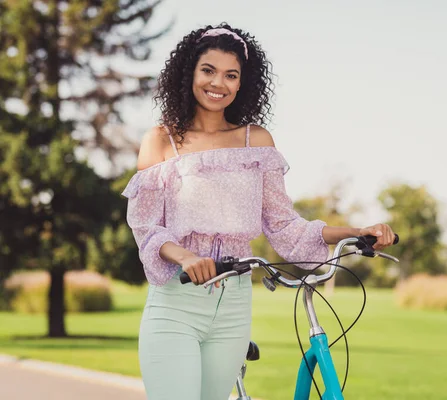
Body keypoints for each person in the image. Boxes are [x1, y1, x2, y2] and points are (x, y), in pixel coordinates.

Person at [122, 22, 396, 400]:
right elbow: (147, 227)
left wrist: (356, 231)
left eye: (230, 75)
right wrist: (186, 256)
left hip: (234, 304)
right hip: (177, 300)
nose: (219, 82)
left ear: (242, 84)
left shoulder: (257, 142)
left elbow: (285, 227)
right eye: (209, 70)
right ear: (190, 73)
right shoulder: (161, 140)